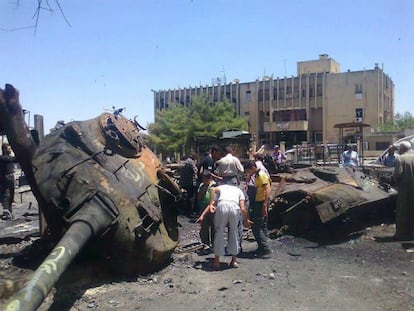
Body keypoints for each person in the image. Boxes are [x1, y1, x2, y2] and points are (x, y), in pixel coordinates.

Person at [207, 179, 250, 270]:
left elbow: (212, 190)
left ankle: (217, 262)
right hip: (235, 207)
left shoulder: (222, 187)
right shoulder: (239, 191)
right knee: (234, 232)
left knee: (219, 231)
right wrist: (246, 220)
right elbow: (242, 208)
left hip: (222, 205)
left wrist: (211, 204)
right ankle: (234, 260)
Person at [244, 160, 272, 258]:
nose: (248, 173)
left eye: (248, 170)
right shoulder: (256, 175)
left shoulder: (260, 175)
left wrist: (264, 204)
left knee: (256, 225)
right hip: (259, 201)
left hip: (261, 202)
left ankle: (265, 248)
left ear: (252, 168)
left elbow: (267, 189)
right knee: (262, 225)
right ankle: (262, 247)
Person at [393, 141, 414, 240]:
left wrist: (395, 184)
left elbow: (397, 174)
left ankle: (401, 234)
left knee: (402, 211)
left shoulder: (400, 158)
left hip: (405, 189)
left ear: (402, 149)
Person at [196, 170, 216, 249]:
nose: (204, 181)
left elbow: (213, 200)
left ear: (210, 178)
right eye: (203, 179)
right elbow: (198, 197)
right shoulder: (201, 185)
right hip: (203, 206)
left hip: (213, 208)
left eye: (205, 179)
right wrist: (203, 189)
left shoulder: (214, 185)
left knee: (214, 226)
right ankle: (205, 243)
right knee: (204, 226)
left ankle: (215, 244)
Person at [0, 143, 17, 220]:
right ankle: (6, 213)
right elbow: (14, 159)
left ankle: (9, 212)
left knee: (11, 195)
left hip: (10, 177)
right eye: (9, 149)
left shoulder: (8, 157)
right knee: (6, 196)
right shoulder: (3, 158)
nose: (10, 150)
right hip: (5, 178)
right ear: (4, 149)